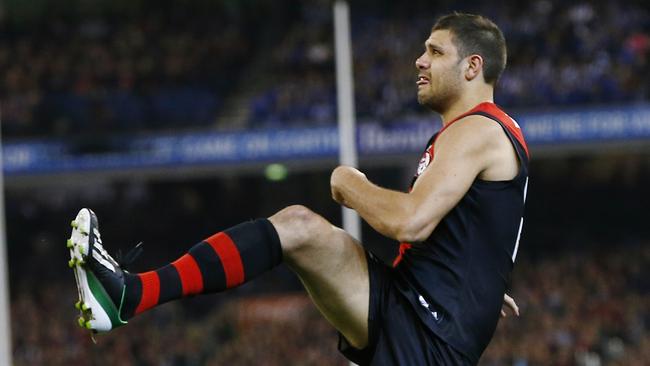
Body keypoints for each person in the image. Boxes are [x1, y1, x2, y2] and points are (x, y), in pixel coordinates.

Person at [67, 12, 526, 365]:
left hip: (428, 330)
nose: (420, 60)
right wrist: (481, 284)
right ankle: (130, 294)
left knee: (301, 227)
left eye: (436, 51)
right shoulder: (472, 135)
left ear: (473, 66)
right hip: (414, 309)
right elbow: (478, 224)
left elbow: (409, 221)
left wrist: (349, 183)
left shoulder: (478, 130)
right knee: (299, 227)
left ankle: (131, 294)